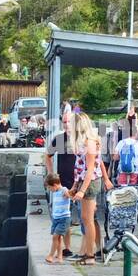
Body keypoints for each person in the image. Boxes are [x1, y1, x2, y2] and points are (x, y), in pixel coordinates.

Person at [69, 113, 108, 265]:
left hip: (90, 183)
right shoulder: (84, 142)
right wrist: (75, 186)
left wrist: (82, 190)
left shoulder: (89, 143)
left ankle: (90, 255)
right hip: (85, 182)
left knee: (87, 219)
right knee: (87, 219)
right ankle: (90, 252)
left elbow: (90, 169)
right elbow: (80, 168)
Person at [44, 114, 76, 259]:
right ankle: (66, 249)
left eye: (69, 121)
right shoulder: (59, 139)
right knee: (64, 216)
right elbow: (48, 155)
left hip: (78, 182)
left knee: (84, 217)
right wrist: (51, 174)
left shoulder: (79, 139)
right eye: (64, 122)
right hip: (63, 183)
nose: (66, 124)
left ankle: (87, 251)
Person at [44, 173, 71, 264]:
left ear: (55, 185)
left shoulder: (63, 190)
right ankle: (59, 256)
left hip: (64, 218)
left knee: (55, 237)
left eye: (49, 188)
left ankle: (51, 255)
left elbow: (69, 194)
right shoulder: (55, 192)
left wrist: (69, 194)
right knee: (58, 238)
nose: (50, 190)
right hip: (56, 218)